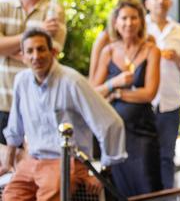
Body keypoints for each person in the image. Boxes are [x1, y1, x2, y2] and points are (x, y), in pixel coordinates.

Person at [0, 28, 126, 200]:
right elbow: (15, 128)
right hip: (32, 161)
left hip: (66, 162)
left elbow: (110, 123)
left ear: (53, 52)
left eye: (41, 49)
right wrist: (7, 164)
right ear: (22, 56)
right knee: (9, 197)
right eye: (30, 51)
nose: (36, 56)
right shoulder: (21, 81)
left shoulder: (72, 81)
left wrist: (102, 171)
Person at [91, 0, 162, 197]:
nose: (128, 23)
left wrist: (118, 93)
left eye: (133, 18)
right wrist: (115, 83)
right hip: (113, 134)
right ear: (116, 22)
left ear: (141, 21)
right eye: (123, 18)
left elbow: (149, 93)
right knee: (117, 189)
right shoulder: (108, 51)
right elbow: (93, 92)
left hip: (141, 132)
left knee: (147, 185)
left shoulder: (151, 50)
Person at [0, 0, 66, 144]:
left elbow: (49, 57)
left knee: (32, 166)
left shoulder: (54, 9)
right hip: (3, 104)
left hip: (37, 106)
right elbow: (37, 56)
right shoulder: (3, 5)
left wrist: (8, 48)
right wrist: (36, 31)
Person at [144, 0, 180, 189]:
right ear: (147, 2)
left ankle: (167, 195)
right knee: (145, 155)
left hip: (170, 102)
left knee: (167, 155)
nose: (161, 1)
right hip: (145, 102)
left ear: (170, 2)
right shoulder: (141, 28)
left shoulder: (179, 31)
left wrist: (178, 59)